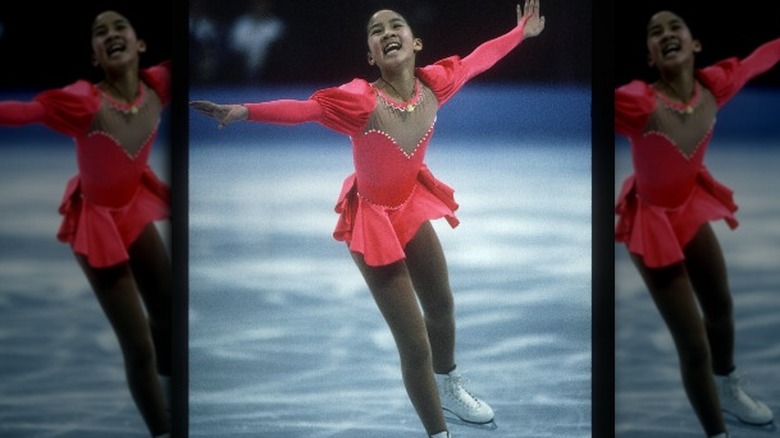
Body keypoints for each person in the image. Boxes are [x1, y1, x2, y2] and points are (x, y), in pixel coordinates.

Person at [190, 1, 544, 436]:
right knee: (414, 345)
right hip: (372, 220)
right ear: (371, 55)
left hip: (410, 206)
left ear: (416, 43)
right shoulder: (360, 100)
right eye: (376, 31)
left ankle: (449, 387)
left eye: (396, 25)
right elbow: (307, 109)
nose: (386, 31)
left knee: (442, 307)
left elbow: (477, 59)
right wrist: (245, 111)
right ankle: (440, 434)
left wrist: (519, 34)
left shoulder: (435, 85)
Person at [0, 10, 172, 438]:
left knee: (169, 316)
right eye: (100, 33)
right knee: (138, 347)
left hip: (133, 207)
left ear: (140, 44)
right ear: (95, 56)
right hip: (95, 223)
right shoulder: (83, 102)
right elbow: (22, 112)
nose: (111, 34)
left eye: (119, 28)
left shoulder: (158, 84)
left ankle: (167, 390)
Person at [614, 9, 779, 438]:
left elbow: (759, 59)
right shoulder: (640, 102)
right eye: (655, 32)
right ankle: (717, 433)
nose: (666, 34)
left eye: (675, 28)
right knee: (693, 344)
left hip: (688, 208)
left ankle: (727, 384)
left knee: (721, 308)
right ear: (651, 56)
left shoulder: (714, 86)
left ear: (695, 44)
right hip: (650, 223)